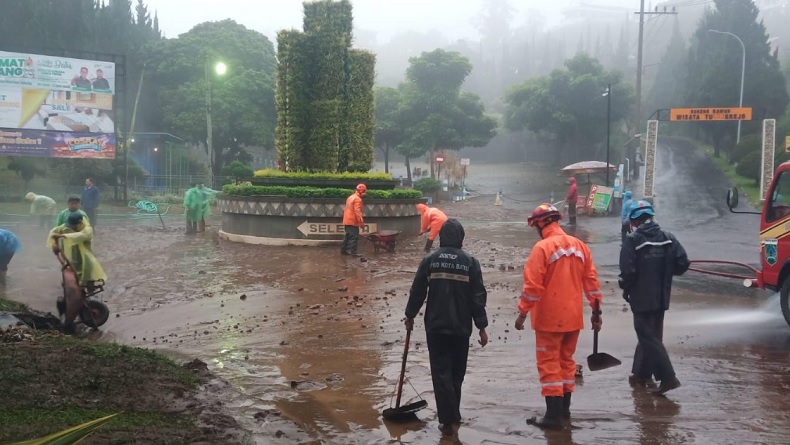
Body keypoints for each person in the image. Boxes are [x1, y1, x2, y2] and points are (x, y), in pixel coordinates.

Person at [515, 203, 602, 429]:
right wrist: (596, 312)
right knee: (566, 362)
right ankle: (564, 411)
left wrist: (522, 313)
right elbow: (591, 283)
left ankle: (553, 417)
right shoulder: (580, 246)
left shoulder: (542, 248)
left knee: (549, 364)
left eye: (536, 225)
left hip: (549, 319)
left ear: (541, 224)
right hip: (573, 318)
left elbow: (532, 287)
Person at [405, 219, 488, 437]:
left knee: (441, 373)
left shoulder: (430, 260)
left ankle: (448, 420)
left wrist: (410, 315)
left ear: (442, 236)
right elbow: (478, 297)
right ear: (461, 237)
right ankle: (453, 416)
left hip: (436, 326)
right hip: (461, 327)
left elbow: (418, 290)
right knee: (457, 374)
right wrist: (482, 326)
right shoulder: (470, 262)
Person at [619, 200, 689, 396]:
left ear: (634, 221)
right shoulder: (668, 238)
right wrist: (666, 270)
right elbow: (683, 263)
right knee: (652, 336)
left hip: (641, 297)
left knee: (647, 336)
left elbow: (628, 272)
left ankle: (668, 377)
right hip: (661, 296)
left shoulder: (633, 240)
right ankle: (640, 374)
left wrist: (625, 288)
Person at [48, 213, 106, 288]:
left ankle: (85, 283)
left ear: (80, 223)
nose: (72, 228)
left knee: (87, 267)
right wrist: (54, 243)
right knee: (73, 264)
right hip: (73, 249)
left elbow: (82, 235)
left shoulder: (88, 229)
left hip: (85, 252)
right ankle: (73, 281)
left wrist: (62, 235)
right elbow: (54, 230)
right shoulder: (68, 225)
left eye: (74, 226)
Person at [340, 184, 366, 256]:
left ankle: (343, 250)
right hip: (353, 221)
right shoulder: (358, 199)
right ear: (361, 191)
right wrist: (361, 222)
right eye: (364, 191)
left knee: (348, 236)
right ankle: (353, 252)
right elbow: (357, 212)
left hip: (347, 220)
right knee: (354, 237)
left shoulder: (350, 197)